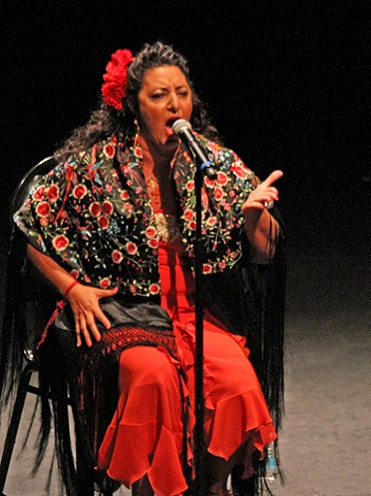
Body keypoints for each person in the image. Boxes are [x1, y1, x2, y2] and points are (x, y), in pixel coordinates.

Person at [0, 41, 285, 496]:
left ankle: (210, 487)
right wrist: (71, 288)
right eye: (158, 95)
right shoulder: (97, 167)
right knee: (152, 377)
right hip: (123, 312)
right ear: (133, 107)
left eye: (182, 92)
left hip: (192, 315)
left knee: (237, 382)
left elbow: (267, 253)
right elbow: (28, 228)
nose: (174, 105)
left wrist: (253, 220)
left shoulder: (213, 165)